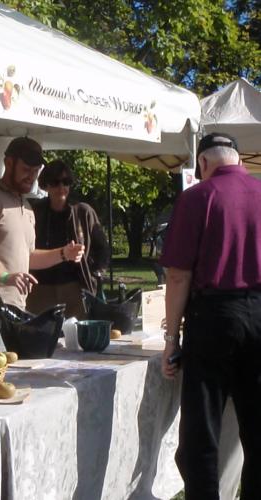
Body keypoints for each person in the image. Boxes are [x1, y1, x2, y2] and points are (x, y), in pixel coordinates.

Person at [159, 132, 261, 500]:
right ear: (238, 159)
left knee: (201, 436)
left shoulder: (197, 196)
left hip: (214, 316)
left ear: (203, 163)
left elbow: (178, 274)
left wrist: (171, 340)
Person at [0, 138, 84, 351]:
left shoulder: (27, 206)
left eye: (35, 171)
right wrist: (5, 276)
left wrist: (63, 254)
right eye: (26, 169)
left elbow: (29, 256)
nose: (30, 176)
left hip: (15, 309)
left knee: (11, 379)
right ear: (8, 162)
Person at [26, 159, 109, 319]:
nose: (61, 187)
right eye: (55, 182)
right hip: (40, 287)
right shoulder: (34, 212)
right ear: (46, 185)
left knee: (76, 337)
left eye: (66, 182)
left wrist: (95, 273)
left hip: (74, 287)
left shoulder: (83, 212)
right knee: (39, 336)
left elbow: (103, 248)